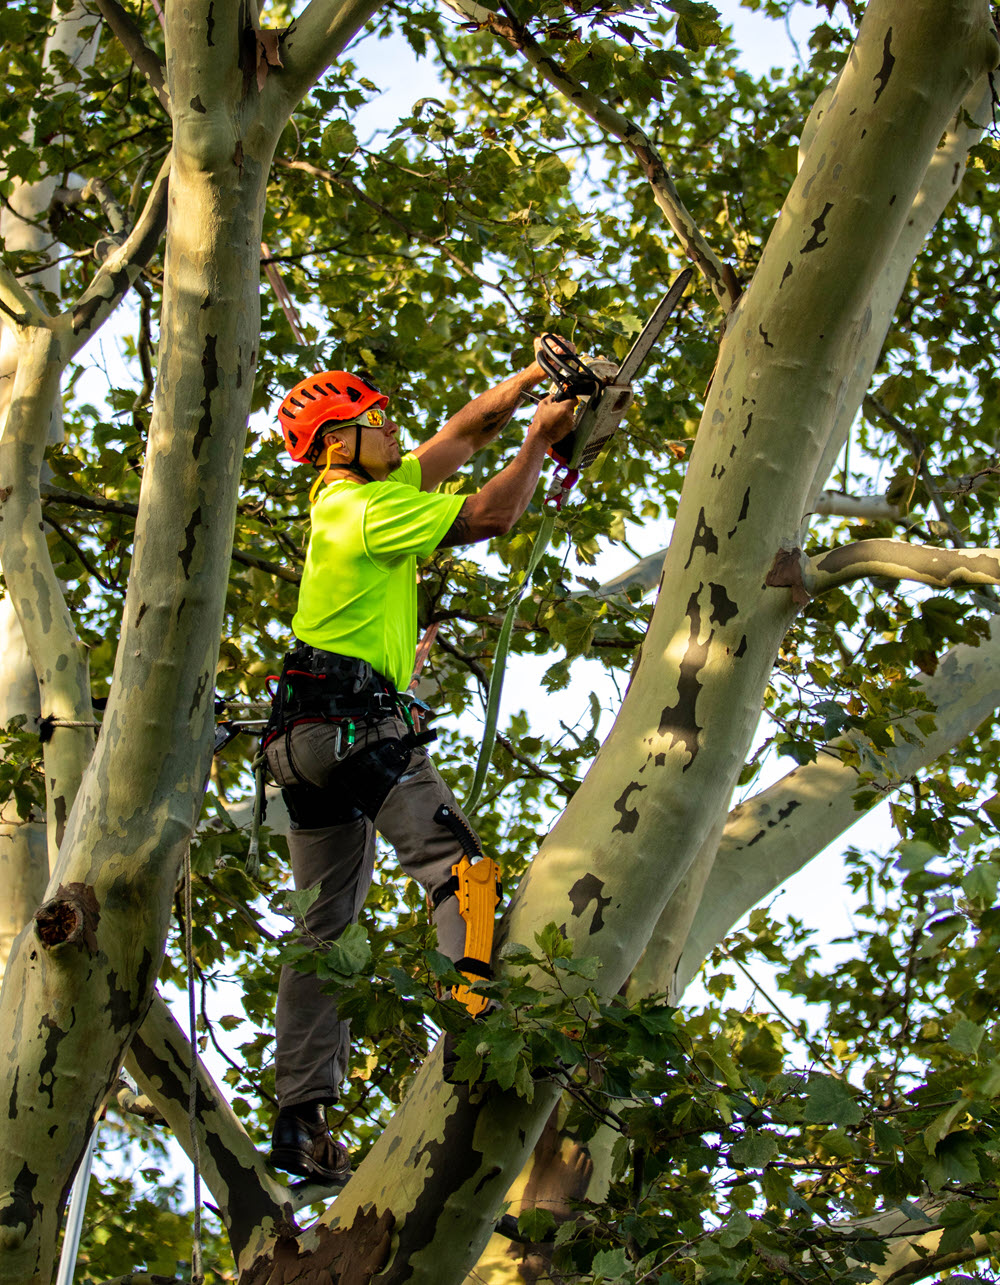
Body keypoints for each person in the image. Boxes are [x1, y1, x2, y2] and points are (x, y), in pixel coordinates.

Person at [262, 351, 578, 1185]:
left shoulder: (365, 491)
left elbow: (460, 434)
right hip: (352, 724)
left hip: (301, 741)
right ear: (341, 444)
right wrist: (541, 443)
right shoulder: (361, 508)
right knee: (459, 868)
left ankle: (299, 1122)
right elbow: (488, 516)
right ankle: (475, 1025)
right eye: (377, 421)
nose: (395, 431)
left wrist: (526, 386)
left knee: (324, 931)